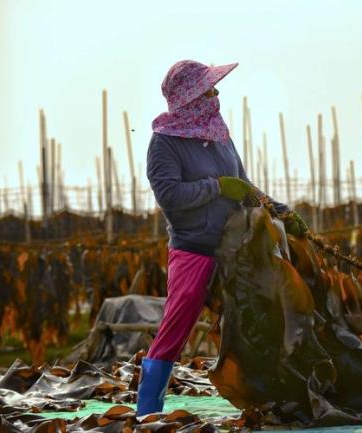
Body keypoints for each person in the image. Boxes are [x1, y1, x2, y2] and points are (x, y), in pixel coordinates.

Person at [137, 59, 308, 416]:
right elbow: (169, 195)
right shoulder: (164, 143)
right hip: (194, 249)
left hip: (238, 249)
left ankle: (272, 401)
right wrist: (216, 187)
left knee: (265, 319)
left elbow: (244, 187)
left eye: (213, 87)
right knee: (177, 325)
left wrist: (281, 212)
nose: (216, 93)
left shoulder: (219, 135)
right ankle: (147, 408)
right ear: (189, 98)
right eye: (207, 89)